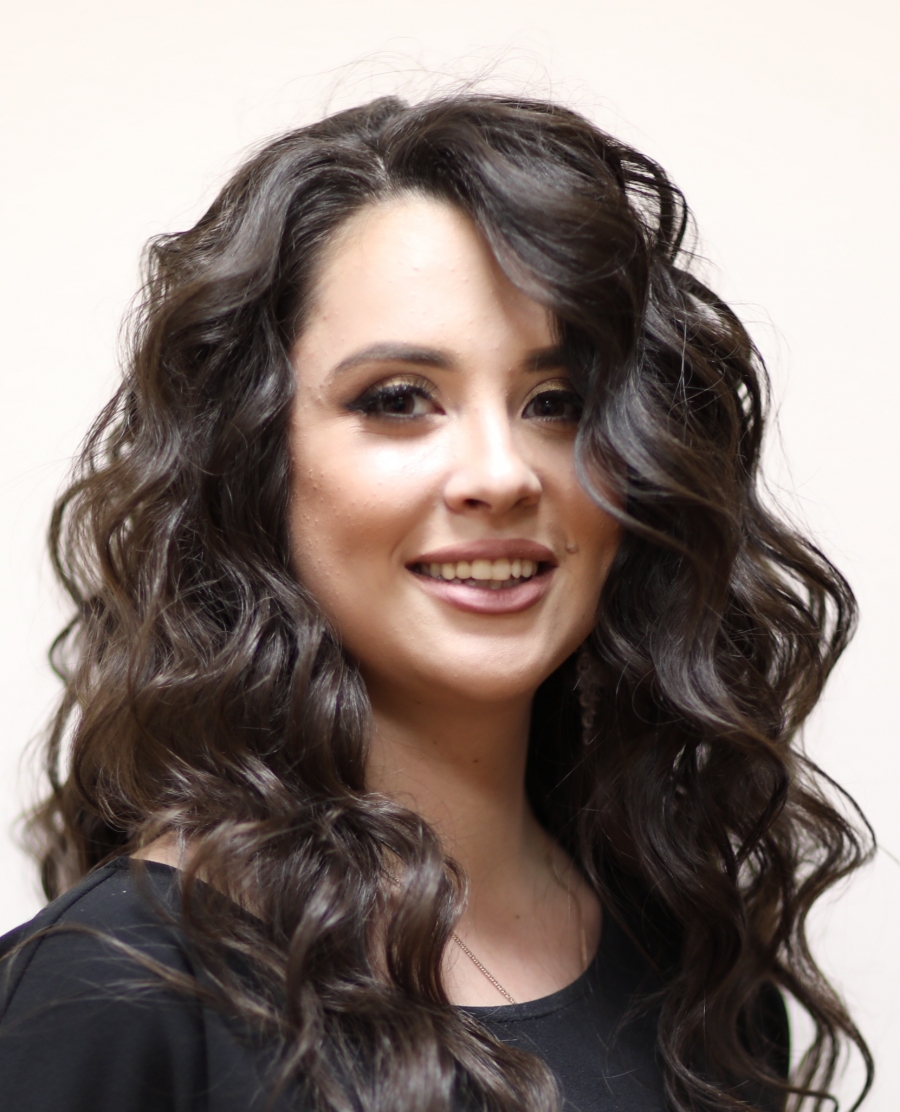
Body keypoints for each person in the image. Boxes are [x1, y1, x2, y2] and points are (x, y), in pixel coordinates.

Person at [0, 93, 872, 1112]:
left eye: (557, 403)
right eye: (399, 399)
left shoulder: (701, 976)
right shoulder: (113, 993)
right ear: (252, 462)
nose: (501, 474)